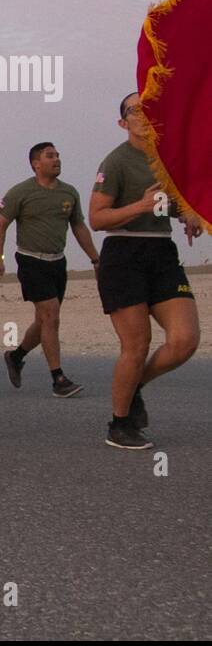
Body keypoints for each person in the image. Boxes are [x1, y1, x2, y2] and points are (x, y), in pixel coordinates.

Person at [89, 92, 202, 450]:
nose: (144, 113)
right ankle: (119, 424)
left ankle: (136, 384)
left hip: (161, 252)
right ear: (123, 123)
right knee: (136, 346)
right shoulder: (117, 161)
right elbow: (96, 218)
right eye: (134, 110)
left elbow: (167, 205)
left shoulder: (165, 159)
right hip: (124, 253)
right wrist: (138, 205)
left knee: (185, 340)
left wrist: (187, 216)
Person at [0, 142, 99, 397]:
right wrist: (0, 259)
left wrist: (96, 259)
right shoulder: (20, 192)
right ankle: (58, 379)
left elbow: (79, 228)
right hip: (30, 261)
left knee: (43, 321)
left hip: (57, 262)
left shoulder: (69, 193)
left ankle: (16, 356)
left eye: (58, 155)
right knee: (51, 316)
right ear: (35, 163)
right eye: (50, 156)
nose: (57, 159)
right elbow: (1, 226)